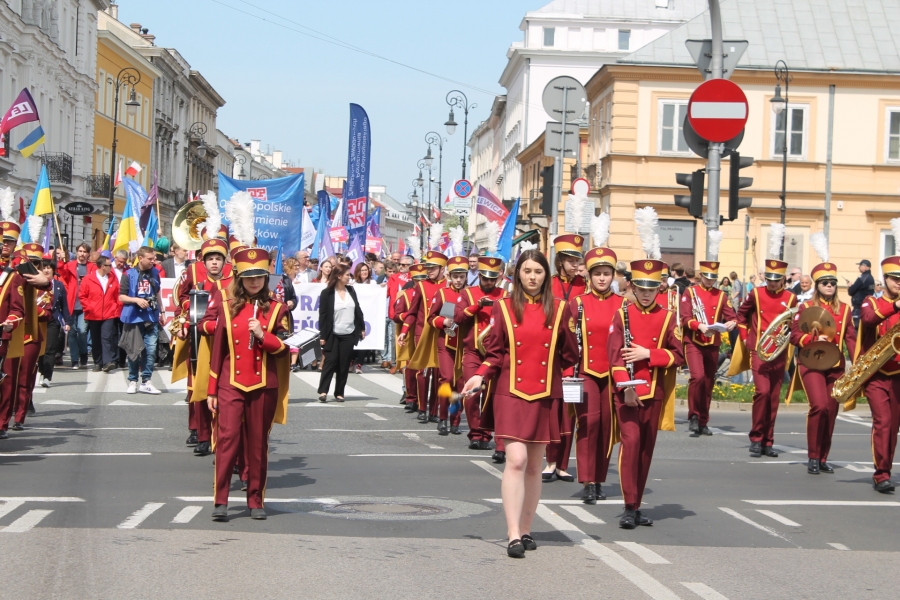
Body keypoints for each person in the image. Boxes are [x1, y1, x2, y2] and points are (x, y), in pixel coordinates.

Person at [461, 250, 578, 558]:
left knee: (535, 466)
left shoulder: (561, 308)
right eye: (527, 271)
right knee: (515, 460)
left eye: (538, 271)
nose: (532, 277)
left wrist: (569, 378)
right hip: (510, 392)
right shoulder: (503, 307)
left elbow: (570, 355)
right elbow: (495, 353)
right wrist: (480, 376)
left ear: (546, 275)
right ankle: (512, 533)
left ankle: (526, 529)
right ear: (518, 275)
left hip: (545, 393)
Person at [207, 247, 292, 521]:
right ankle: (220, 500)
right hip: (230, 383)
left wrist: (263, 334)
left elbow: (286, 349)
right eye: (248, 277)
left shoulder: (278, 308)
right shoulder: (226, 306)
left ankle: (256, 500)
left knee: (257, 444)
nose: (254, 282)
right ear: (239, 278)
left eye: (259, 276)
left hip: (264, 384)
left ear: (266, 278)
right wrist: (211, 390)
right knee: (227, 439)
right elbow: (218, 351)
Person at [608, 259, 684, 529]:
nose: (646, 293)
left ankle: (637, 504)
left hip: (654, 392)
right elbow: (614, 357)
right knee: (630, 445)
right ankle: (629, 506)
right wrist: (626, 388)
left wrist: (648, 354)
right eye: (641, 288)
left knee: (645, 451)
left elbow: (678, 356)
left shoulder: (667, 317)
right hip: (627, 392)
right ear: (633, 287)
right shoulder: (622, 315)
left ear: (659, 288)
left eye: (651, 288)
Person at [789, 261, 856, 475]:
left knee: (831, 410)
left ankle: (823, 456)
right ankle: (813, 455)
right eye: (825, 282)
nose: (829, 286)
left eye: (832, 283)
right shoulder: (806, 307)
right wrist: (811, 338)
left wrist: (858, 364)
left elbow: (851, 339)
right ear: (817, 286)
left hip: (835, 365)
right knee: (819, 406)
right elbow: (794, 335)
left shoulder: (845, 310)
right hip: (811, 362)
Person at [569, 247, 624, 503]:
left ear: (613, 276)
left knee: (606, 426)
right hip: (586, 371)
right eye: (597, 274)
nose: (602, 278)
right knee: (588, 423)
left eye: (606, 273)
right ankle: (588, 480)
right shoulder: (578, 303)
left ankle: (599, 478)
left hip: (614, 373)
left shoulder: (623, 304)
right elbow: (567, 339)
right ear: (589, 276)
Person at [172, 238, 233, 453]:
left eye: (218, 259)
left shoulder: (232, 283)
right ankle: (202, 435)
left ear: (224, 261)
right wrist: (184, 322)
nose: (214, 263)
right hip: (200, 341)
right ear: (204, 262)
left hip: (225, 344)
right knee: (199, 388)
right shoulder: (198, 282)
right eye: (210, 259)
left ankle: (222, 438)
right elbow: (182, 302)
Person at [731, 259, 797, 458]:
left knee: (774, 398)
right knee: (763, 392)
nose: (772, 283)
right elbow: (741, 315)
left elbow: (794, 324)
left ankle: (768, 441)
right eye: (769, 279)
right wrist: (745, 338)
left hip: (779, 352)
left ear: (783, 279)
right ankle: (756, 438)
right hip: (759, 351)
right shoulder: (756, 293)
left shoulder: (791, 298)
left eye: (776, 280)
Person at [454, 256, 507, 460]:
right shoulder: (467, 293)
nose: (489, 282)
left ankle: (491, 437)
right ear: (480, 276)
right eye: (485, 278)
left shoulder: (505, 295)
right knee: (472, 393)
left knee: (494, 397)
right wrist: (476, 306)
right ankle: (476, 434)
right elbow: (458, 317)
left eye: (493, 279)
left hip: (497, 353)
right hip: (473, 351)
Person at [545, 234, 586, 482]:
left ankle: (562, 464)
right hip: (551, 353)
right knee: (552, 409)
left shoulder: (585, 285)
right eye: (570, 260)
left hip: (577, 354)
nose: (575, 265)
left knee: (569, 409)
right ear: (560, 261)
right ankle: (550, 461)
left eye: (577, 260)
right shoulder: (548, 283)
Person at [858, 256, 900, 493]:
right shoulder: (871, 301)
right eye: (895, 278)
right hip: (876, 373)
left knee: (893, 426)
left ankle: (886, 469)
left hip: (898, 373)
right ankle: (881, 474)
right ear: (885, 279)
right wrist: (895, 306)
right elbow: (868, 319)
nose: (899, 283)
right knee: (882, 422)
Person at [680, 261, 737, 436]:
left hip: (712, 342)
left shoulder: (721, 295)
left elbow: (732, 316)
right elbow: (685, 318)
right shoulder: (690, 292)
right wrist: (699, 326)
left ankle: (703, 420)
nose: (710, 281)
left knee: (708, 382)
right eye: (707, 277)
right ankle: (693, 416)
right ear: (701, 276)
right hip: (694, 341)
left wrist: (732, 323)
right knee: (697, 377)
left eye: (713, 278)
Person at [417, 255, 468, 435]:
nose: (458, 280)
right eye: (455, 276)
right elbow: (430, 318)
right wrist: (443, 321)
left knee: (461, 384)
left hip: (464, 345)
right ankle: (443, 418)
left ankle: (455, 420)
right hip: (445, 342)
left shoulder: (470, 294)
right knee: (446, 378)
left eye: (462, 276)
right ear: (449, 276)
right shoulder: (442, 293)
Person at [399, 251, 448, 422]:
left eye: (433, 268)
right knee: (422, 371)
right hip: (422, 333)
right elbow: (412, 312)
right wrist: (404, 331)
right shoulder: (421, 285)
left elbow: (450, 312)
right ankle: (421, 407)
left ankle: (434, 410)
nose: (429, 270)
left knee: (439, 373)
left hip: (441, 334)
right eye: (428, 267)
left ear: (442, 269)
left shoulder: (448, 286)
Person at [9, 243, 53, 431]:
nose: (33, 267)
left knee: (25, 378)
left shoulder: (43, 287)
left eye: (36, 263)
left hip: (30, 335)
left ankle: (20, 416)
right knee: (7, 379)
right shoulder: (11, 280)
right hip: (10, 334)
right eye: (29, 263)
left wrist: (28, 308)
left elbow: (47, 313)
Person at [317, 264, 366, 403]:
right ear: (339, 276)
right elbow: (323, 316)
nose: (349, 277)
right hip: (332, 333)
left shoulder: (351, 290)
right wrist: (323, 336)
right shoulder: (327, 293)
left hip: (349, 332)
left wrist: (362, 328)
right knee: (330, 361)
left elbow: (358, 310)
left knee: (344, 364)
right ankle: (323, 391)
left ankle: (339, 392)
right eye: (347, 275)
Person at [119, 246, 163, 395]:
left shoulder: (155, 273)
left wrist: (162, 311)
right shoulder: (128, 274)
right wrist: (136, 300)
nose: (153, 261)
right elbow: (121, 297)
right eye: (150, 259)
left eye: (154, 258)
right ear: (140, 258)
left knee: (150, 350)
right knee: (134, 351)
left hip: (151, 317)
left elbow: (157, 293)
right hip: (134, 318)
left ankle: (146, 381)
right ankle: (132, 380)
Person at [79, 255, 121, 372]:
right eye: (109, 265)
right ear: (102, 266)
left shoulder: (112, 278)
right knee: (96, 339)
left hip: (109, 313)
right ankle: (98, 362)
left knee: (106, 337)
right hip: (93, 314)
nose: (111, 267)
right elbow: (82, 296)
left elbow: (117, 294)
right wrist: (89, 307)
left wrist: (116, 308)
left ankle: (107, 362)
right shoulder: (88, 279)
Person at [57, 242, 94, 369]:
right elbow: (62, 273)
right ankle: (74, 359)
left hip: (85, 305)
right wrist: (61, 260)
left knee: (82, 331)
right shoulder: (70, 265)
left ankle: (83, 353)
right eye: (80, 251)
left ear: (88, 254)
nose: (82, 254)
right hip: (71, 304)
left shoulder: (92, 267)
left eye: (85, 252)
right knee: (72, 333)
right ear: (77, 252)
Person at [38, 259, 70, 388]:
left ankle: (47, 376)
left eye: (49, 268)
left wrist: (67, 321)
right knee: (40, 348)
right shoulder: (36, 284)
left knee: (50, 349)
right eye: (44, 268)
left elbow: (64, 305)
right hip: (38, 318)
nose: (46, 270)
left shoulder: (59, 285)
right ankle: (41, 370)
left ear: (53, 270)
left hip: (53, 319)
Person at [351, 261, 376, 373]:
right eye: (362, 270)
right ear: (358, 272)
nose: (365, 272)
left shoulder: (373, 283)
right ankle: (352, 360)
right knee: (354, 338)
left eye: (366, 270)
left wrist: (381, 288)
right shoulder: (353, 283)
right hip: (355, 315)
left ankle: (359, 364)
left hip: (369, 314)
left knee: (365, 338)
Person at [847, 259, 875, 329]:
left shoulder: (863, 278)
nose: (858, 267)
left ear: (865, 267)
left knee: (855, 328)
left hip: (858, 308)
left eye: (860, 265)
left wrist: (850, 286)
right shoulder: (870, 278)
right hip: (866, 307)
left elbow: (851, 291)